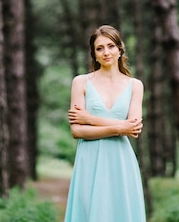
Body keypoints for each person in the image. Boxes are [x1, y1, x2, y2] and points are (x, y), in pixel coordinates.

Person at [64, 25, 147, 222]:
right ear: (94, 53)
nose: (106, 52)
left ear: (120, 49)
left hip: (121, 160)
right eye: (99, 48)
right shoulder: (81, 82)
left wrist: (90, 119)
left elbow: (133, 128)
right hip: (89, 160)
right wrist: (119, 127)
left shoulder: (135, 85)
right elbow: (77, 131)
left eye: (111, 46)